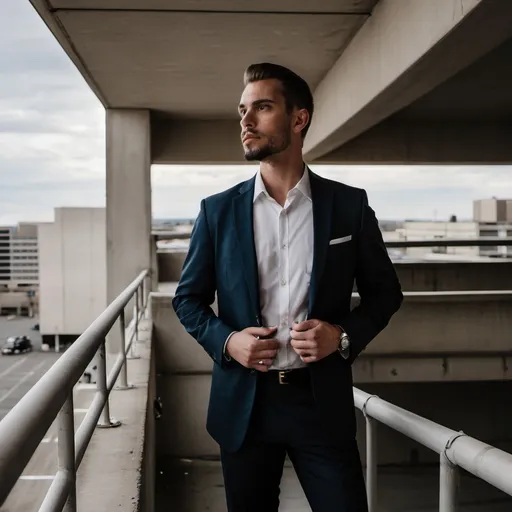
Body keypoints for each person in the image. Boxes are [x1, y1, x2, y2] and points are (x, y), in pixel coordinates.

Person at [172, 63, 403, 512]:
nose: (246, 121)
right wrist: (228, 341)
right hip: (245, 407)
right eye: (242, 110)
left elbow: (386, 293)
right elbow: (187, 299)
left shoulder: (348, 206)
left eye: (261, 107)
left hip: (321, 406)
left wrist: (343, 336)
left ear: (299, 119)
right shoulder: (217, 211)